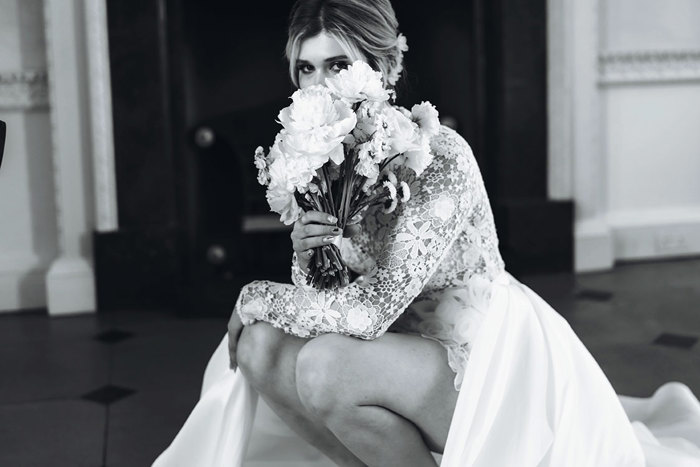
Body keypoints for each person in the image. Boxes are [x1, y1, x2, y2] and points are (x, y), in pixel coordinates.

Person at [154, 1, 700, 466]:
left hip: (486, 359)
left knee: (324, 366)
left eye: (337, 64)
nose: (317, 87)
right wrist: (309, 257)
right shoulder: (317, 163)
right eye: (305, 69)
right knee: (260, 347)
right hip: (392, 353)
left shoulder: (438, 155)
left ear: (384, 67)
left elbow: (368, 315)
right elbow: (333, 303)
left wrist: (256, 294)